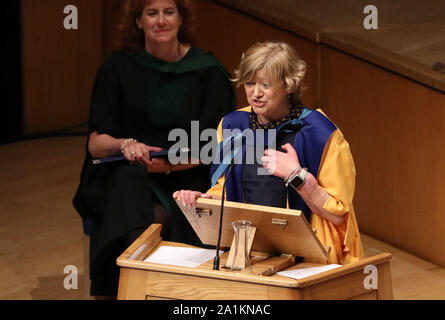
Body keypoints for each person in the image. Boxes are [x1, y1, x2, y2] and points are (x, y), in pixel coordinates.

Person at [73, 0, 235, 297]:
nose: (161, 21)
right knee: (130, 189)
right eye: (152, 13)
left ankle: (125, 289)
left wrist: (170, 165)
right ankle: (147, 291)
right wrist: (126, 144)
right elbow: (96, 145)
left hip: (189, 173)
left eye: (168, 12)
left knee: (151, 214)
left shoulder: (210, 73)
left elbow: (218, 147)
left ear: (181, 18)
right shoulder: (117, 69)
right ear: (138, 21)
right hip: (128, 172)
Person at [174, 41, 364, 265]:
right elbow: (226, 191)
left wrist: (297, 176)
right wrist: (205, 201)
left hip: (309, 258)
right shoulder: (233, 126)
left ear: (288, 85)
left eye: (265, 85)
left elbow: (338, 215)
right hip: (250, 255)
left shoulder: (320, 133)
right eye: (250, 83)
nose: (256, 93)